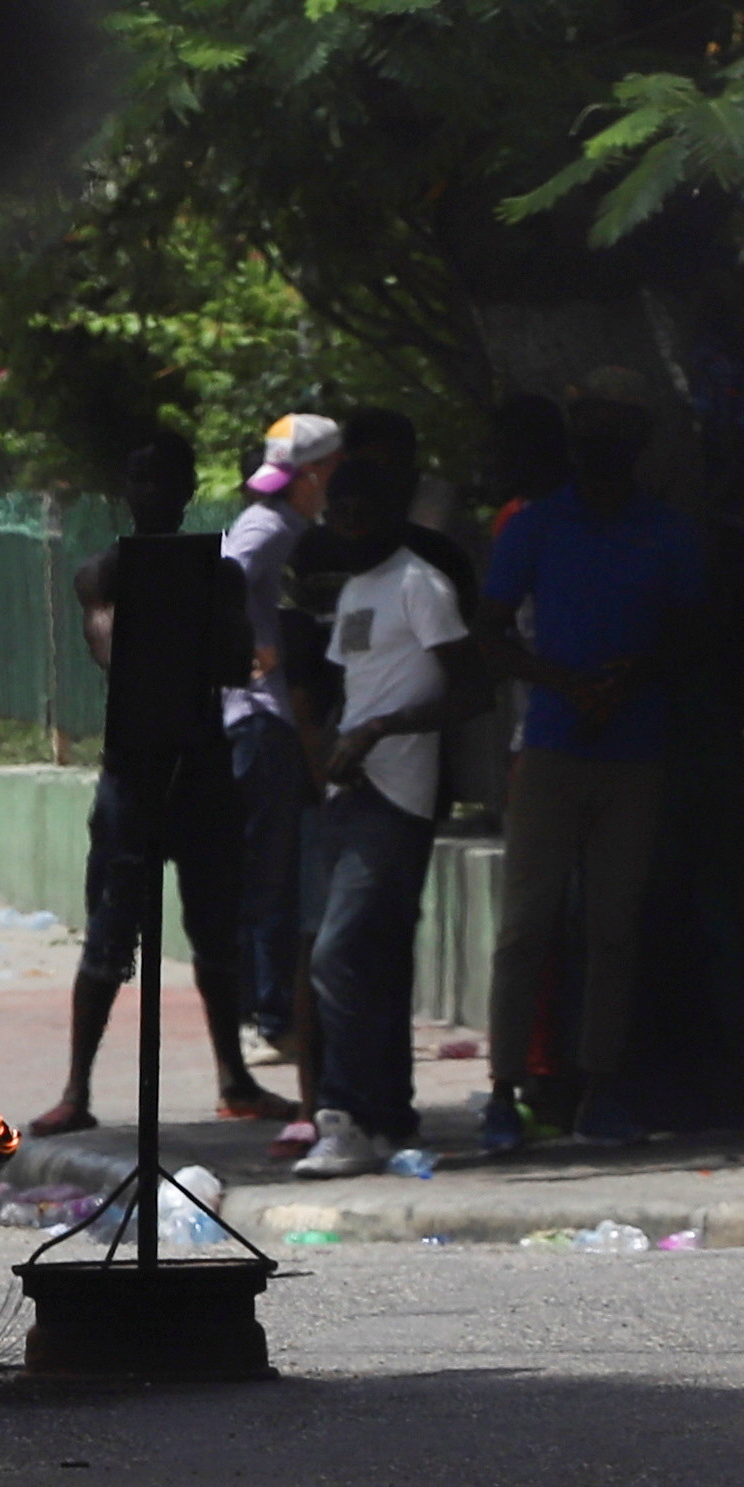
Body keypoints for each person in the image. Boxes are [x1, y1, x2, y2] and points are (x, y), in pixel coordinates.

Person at [480, 374, 713, 1152]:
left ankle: (600, 1088)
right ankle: (502, 1092)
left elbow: (688, 634)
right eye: (590, 435)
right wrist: (561, 680)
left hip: (633, 747)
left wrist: (628, 677)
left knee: (613, 926)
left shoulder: (665, 533)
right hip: (552, 742)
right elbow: (487, 631)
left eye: (614, 435)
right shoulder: (538, 526)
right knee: (525, 926)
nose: (599, 449)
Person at [30, 434, 276, 1139]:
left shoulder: (218, 575)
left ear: (187, 487)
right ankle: (75, 1087)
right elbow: (108, 646)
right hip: (132, 775)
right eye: (140, 478)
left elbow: (232, 659)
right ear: (126, 490)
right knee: (108, 938)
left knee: (215, 932)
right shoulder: (104, 572)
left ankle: (232, 1076)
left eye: (166, 479)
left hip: (199, 768)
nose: (153, 493)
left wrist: (194, 624)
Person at [283, 443, 479, 1178]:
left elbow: (470, 691)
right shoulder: (357, 589)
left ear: (392, 515)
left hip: (397, 793)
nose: (350, 526)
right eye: (340, 514)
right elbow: (347, 683)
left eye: (365, 514)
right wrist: (337, 743)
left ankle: (341, 1113)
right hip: (346, 793)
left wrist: (377, 731)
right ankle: (389, 1115)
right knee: (373, 960)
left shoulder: (418, 584)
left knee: (336, 956)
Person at [219, 413, 335, 1066]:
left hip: (254, 718)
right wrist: (250, 648)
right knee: (270, 877)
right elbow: (223, 582)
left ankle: (258, 1012)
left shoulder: (272, 524)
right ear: (316, 474)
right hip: (260, 720)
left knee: (259, 875)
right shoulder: (269, 527)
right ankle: (269, 1015)